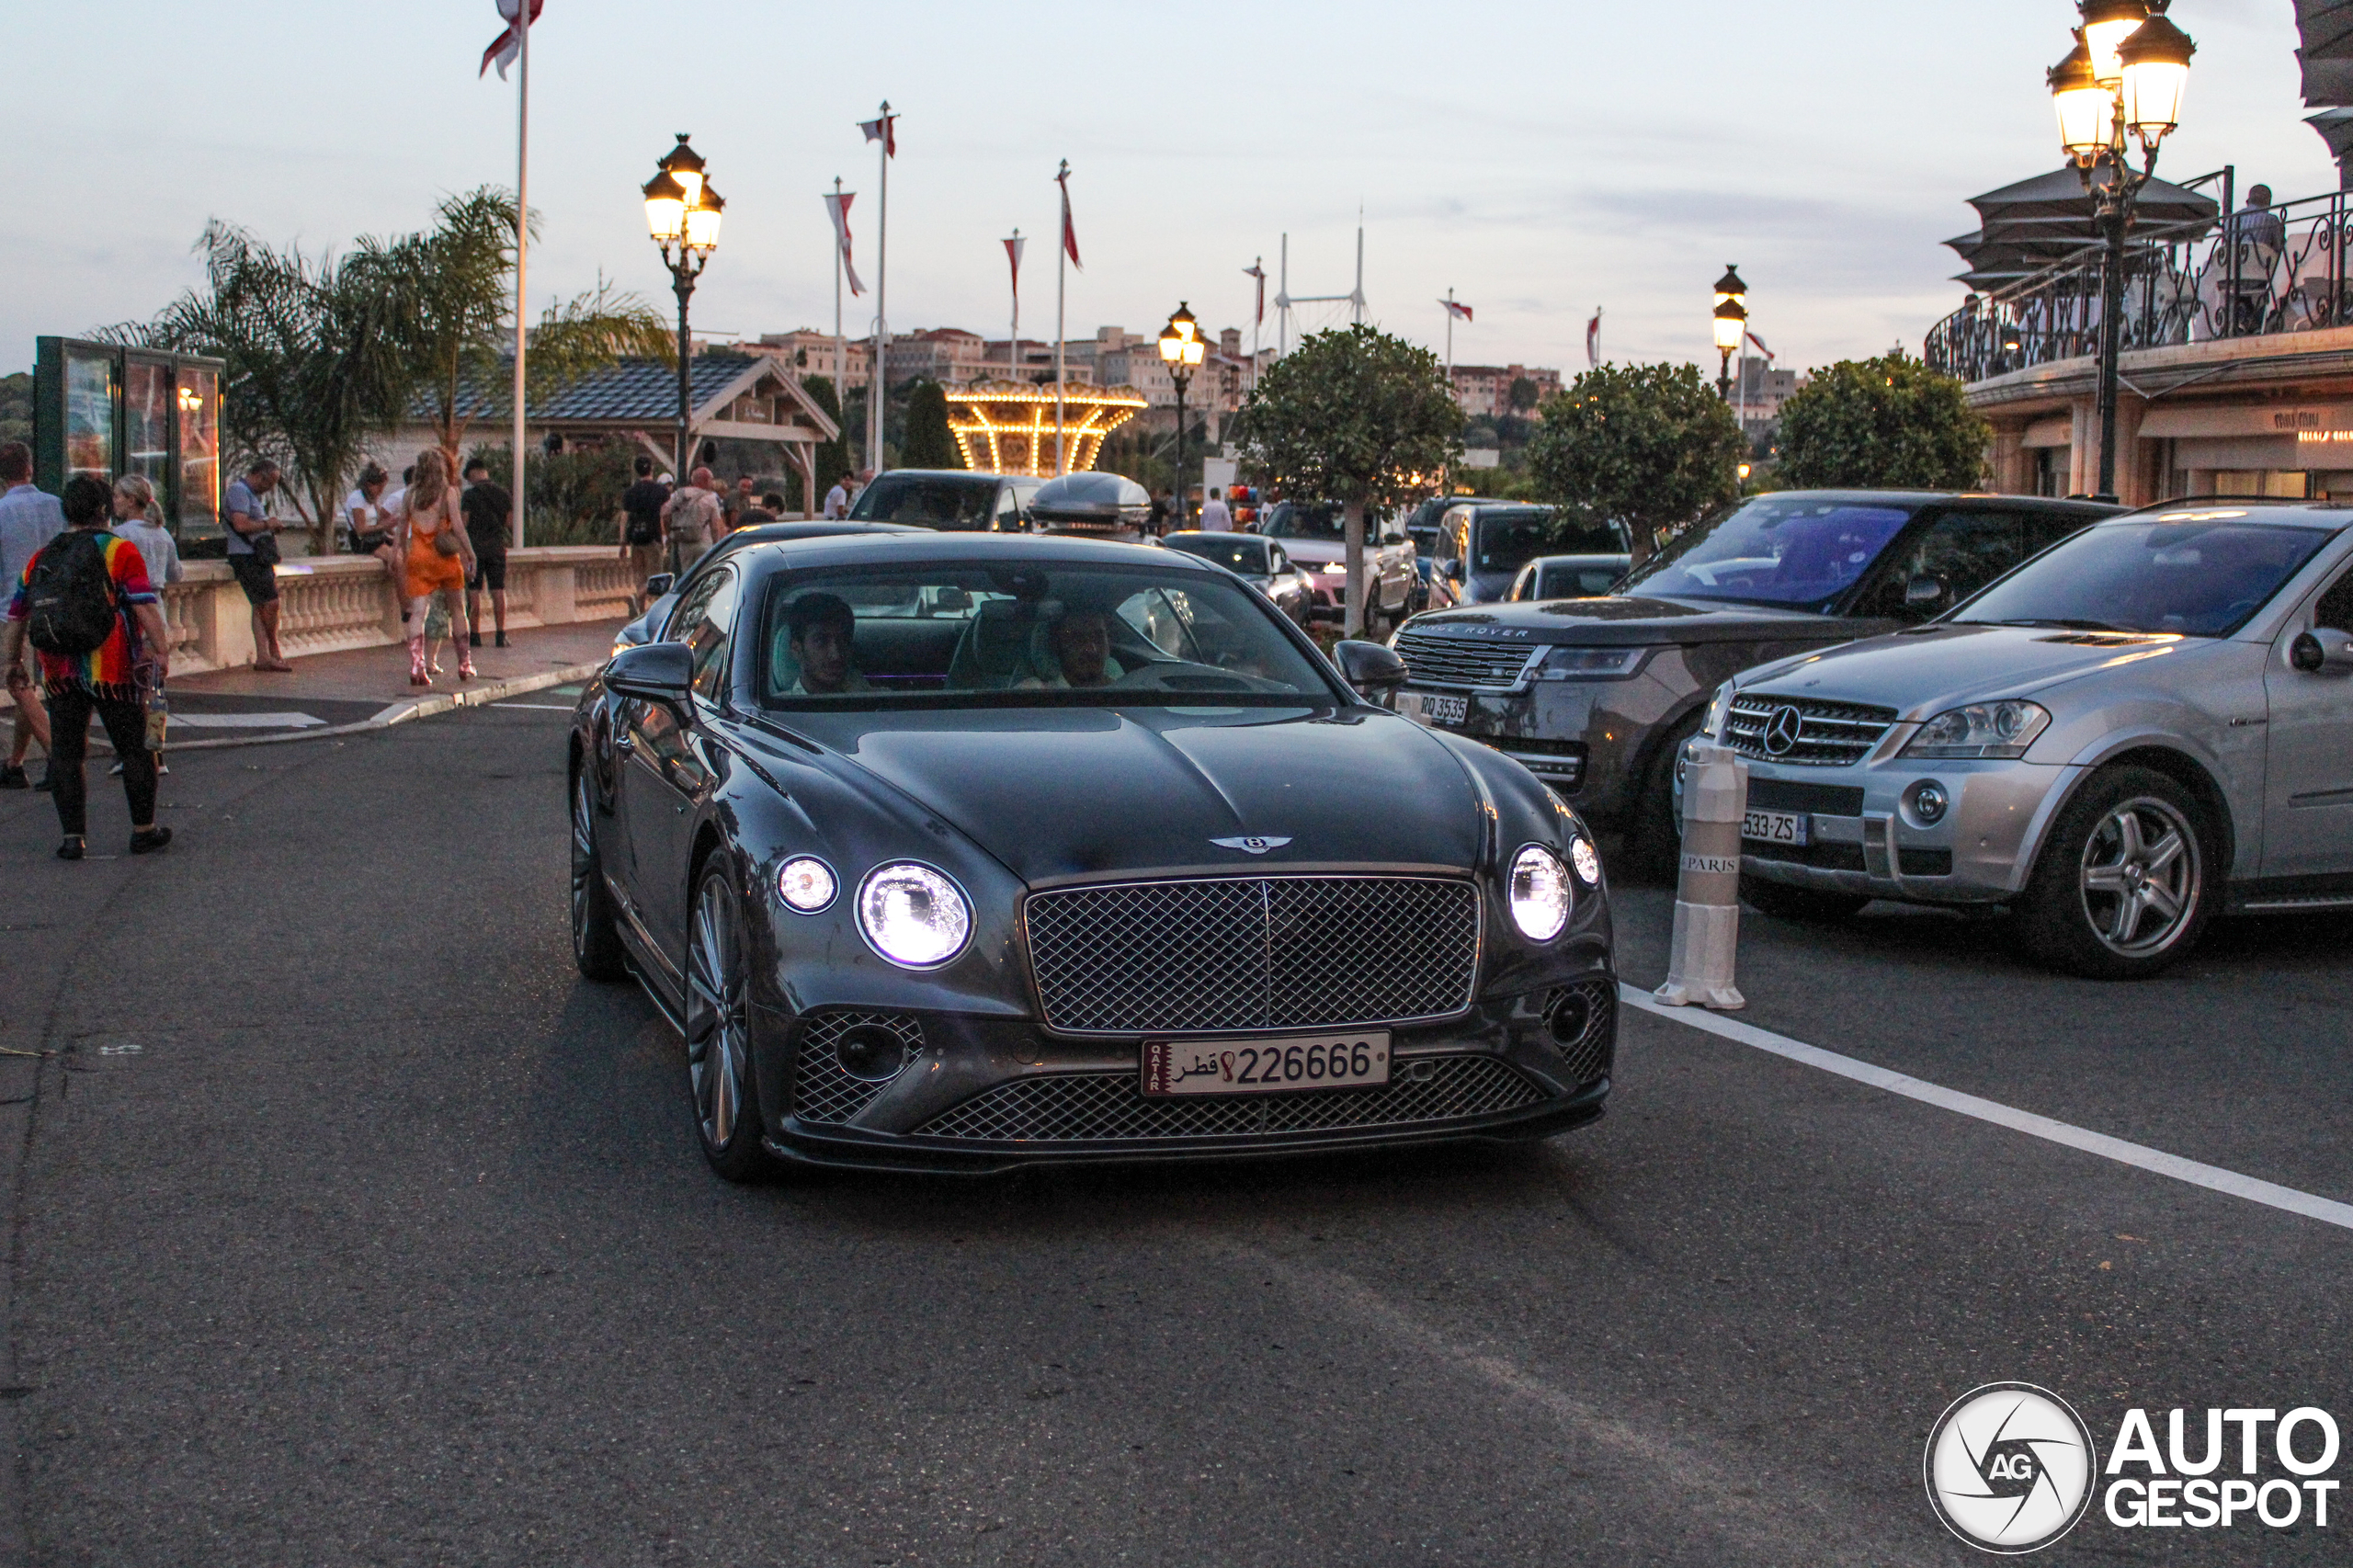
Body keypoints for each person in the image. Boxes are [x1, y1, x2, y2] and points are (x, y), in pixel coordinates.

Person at [2, 473, 173, 859]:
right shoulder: (120, 552)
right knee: (133, 748)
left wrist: (12, 662)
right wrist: (160, 650)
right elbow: (144, 605)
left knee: (66, 752)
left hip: (59, 670)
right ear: (104, 510)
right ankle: (143, 830)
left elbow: (17, 617)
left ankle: (72, 837)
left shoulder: (41, 558)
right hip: (114, 670)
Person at [0, 440, 62, 790]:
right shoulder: (56, 506)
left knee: (17, 681)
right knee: (32, 686)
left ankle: (57, 755)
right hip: (55, 607)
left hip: (12, 609)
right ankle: (15, 763)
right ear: (30, 468)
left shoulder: (2, 512)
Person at [108, 477, 177, 780]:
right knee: (154, 688)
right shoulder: (162, 534)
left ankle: (131, 751)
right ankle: (156, 749)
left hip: (130, 612)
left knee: (129, 686)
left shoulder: (120, 535)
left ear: (132, 501)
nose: (115, 502)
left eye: (119, 497)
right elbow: (176, 573)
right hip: (157, 608)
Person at [393, 450, 476, 687]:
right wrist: (469, 553)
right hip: (445, 559)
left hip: (419, 559)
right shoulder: (449, 493)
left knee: (418, 613)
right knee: (458, 610)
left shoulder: (410, 494)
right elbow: (458, 528)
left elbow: (401, 528)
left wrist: (395, 552)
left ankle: (417, 665)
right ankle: (464, 663)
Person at [223, 457, 293, 672]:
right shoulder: (239, 491)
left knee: (261, 604)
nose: (269, 489)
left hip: (257, 555)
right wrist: (266, 524)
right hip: (246, 555)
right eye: (269, 483)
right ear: (259, 476)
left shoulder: (251, 495)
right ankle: (272, 646)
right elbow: (241, 524)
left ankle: (264, 655)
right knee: (270, 602)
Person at [460, 457, 512, 649]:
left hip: (475, 548)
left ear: (472, 473)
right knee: (498, 590)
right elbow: (509, 522)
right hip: (497, 547)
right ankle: (500, 634)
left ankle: (475, 634)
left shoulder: (469, 496)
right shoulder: (503, 493)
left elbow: (463, 523)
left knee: (474, 590)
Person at [782, 592, 870, 694]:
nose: (836, 655)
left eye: (844, 640)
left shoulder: (869, 696)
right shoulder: (782, 706)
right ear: (797, 649)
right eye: (821, 641)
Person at [1021, 608, 1122, 689]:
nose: (1091, 648)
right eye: (1077, 639)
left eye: (1098, 637)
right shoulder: (1034, 693)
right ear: (1057, 645)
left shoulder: (1124, 686)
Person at [620, 455, 669, 612]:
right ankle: (638, 598)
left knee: (639, 576)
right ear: (651, 469)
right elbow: (665, 515)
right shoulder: (661, 491)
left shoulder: (630, 492)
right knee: (654, 577)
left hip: (635, 538)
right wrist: (666, 536)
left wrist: (622, 542)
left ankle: (640, 610)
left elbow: (624, 518)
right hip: (653, 537)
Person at [660, 466, 723, 579]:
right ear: (706, 480)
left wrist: (670, 533)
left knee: (687, 577)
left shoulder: (679, 494)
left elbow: (664, 513)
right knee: (703, 577)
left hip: (684, 542)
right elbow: (715, 526)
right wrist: (716, 544)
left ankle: (688, 596)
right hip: (704, 542)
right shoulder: (711, 498)